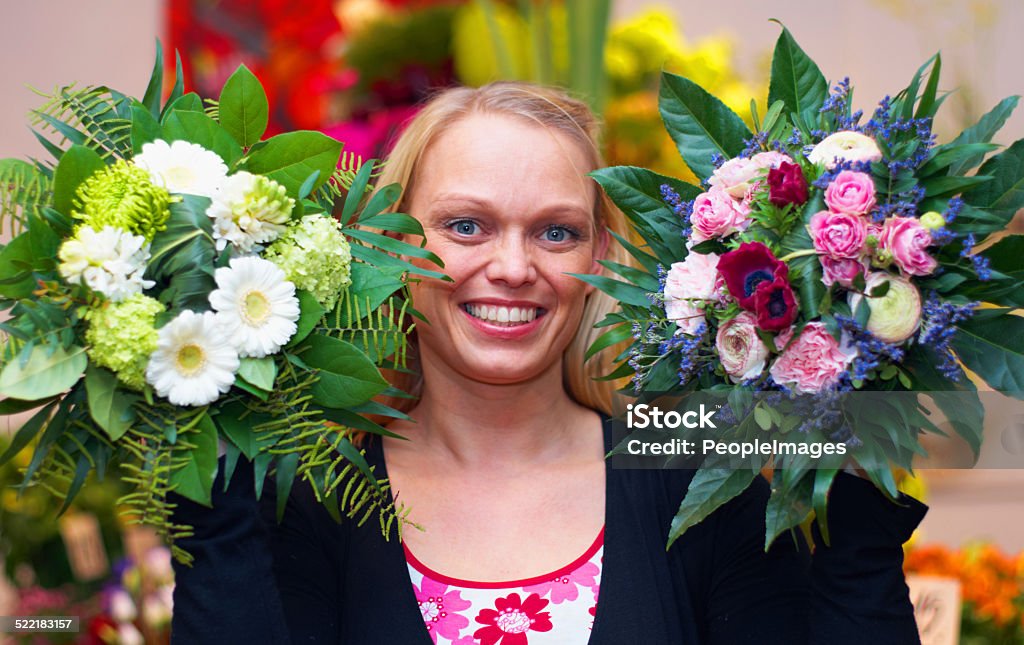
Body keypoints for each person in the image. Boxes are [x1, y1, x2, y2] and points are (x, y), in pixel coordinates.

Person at [170, 82, 926, 645]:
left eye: (555, 233)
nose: (511, 267)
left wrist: (857, 495)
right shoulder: (310, 496)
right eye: (466, 225)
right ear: (392, 240)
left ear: (600, 254)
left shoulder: (694, 476)